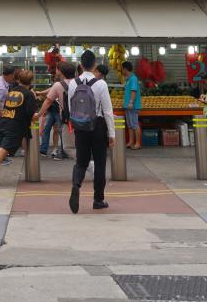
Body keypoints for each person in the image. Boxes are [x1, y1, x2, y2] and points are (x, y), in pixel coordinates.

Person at [67, 49, 116, 213]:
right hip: (98, 126)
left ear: (80, 65)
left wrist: (74, 126)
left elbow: (70, 107)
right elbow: (108, 111)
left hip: (80, 126)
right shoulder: (101, 84)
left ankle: (76, 184)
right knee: (100, 163)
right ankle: (98, 199)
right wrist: (111, 134)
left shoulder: (73, 83)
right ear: (95, 65)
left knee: (81, 161)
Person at [38, 62, 74, 159]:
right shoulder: (79, 82)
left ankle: (64, 153)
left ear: (61, 72)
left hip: (66, 115)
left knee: (62, 133)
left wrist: (39, 114)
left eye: (57, 69)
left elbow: (48, 101)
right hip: (80, 115)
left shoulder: (58, 84)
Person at [121, 61, 142, 150]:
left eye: (122, 68)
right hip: (128, 106)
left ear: (125, 69)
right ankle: (131, 142)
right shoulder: (128, 79)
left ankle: (137, 143)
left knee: (135, 124)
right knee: (129, 125)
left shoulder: (133, 78)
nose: (122, 70)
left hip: (133, 106)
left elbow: (134, 91)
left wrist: (131, 102)